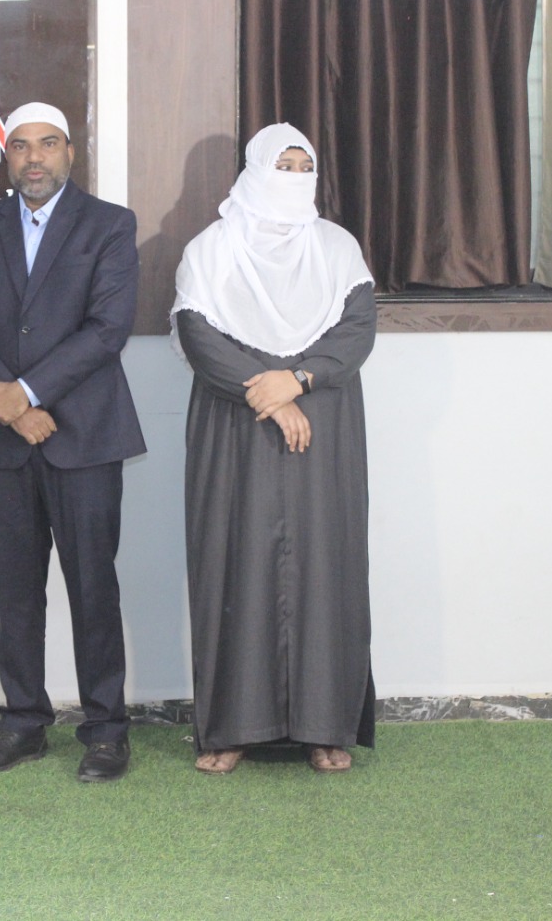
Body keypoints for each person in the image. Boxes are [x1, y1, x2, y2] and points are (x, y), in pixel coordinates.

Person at [0, 102, 147, 783]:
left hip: (84, 435)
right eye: (20, 146)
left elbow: (108, 328)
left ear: (70, 153)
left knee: (93, 588)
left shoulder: (110, 225)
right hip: (4, 439)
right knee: (16, 591)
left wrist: (27, 394)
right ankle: (23, 723)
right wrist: (10, 404)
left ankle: (106, 730)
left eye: (48, 144)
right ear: (6, 157)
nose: (34, 158)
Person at [170, 123, 377, 775]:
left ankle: (326, 727)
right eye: (280, 165)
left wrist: (300, 380)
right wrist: (271, 394)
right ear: (254, 169)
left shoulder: (337, 248)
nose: (292, 177)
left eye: (301, 166)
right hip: (236, 424)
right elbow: (198, 335)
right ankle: (231, 727)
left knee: (326, 566)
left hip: (323, 423)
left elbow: (357, 330)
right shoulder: (211, 249)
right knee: (233, 562)